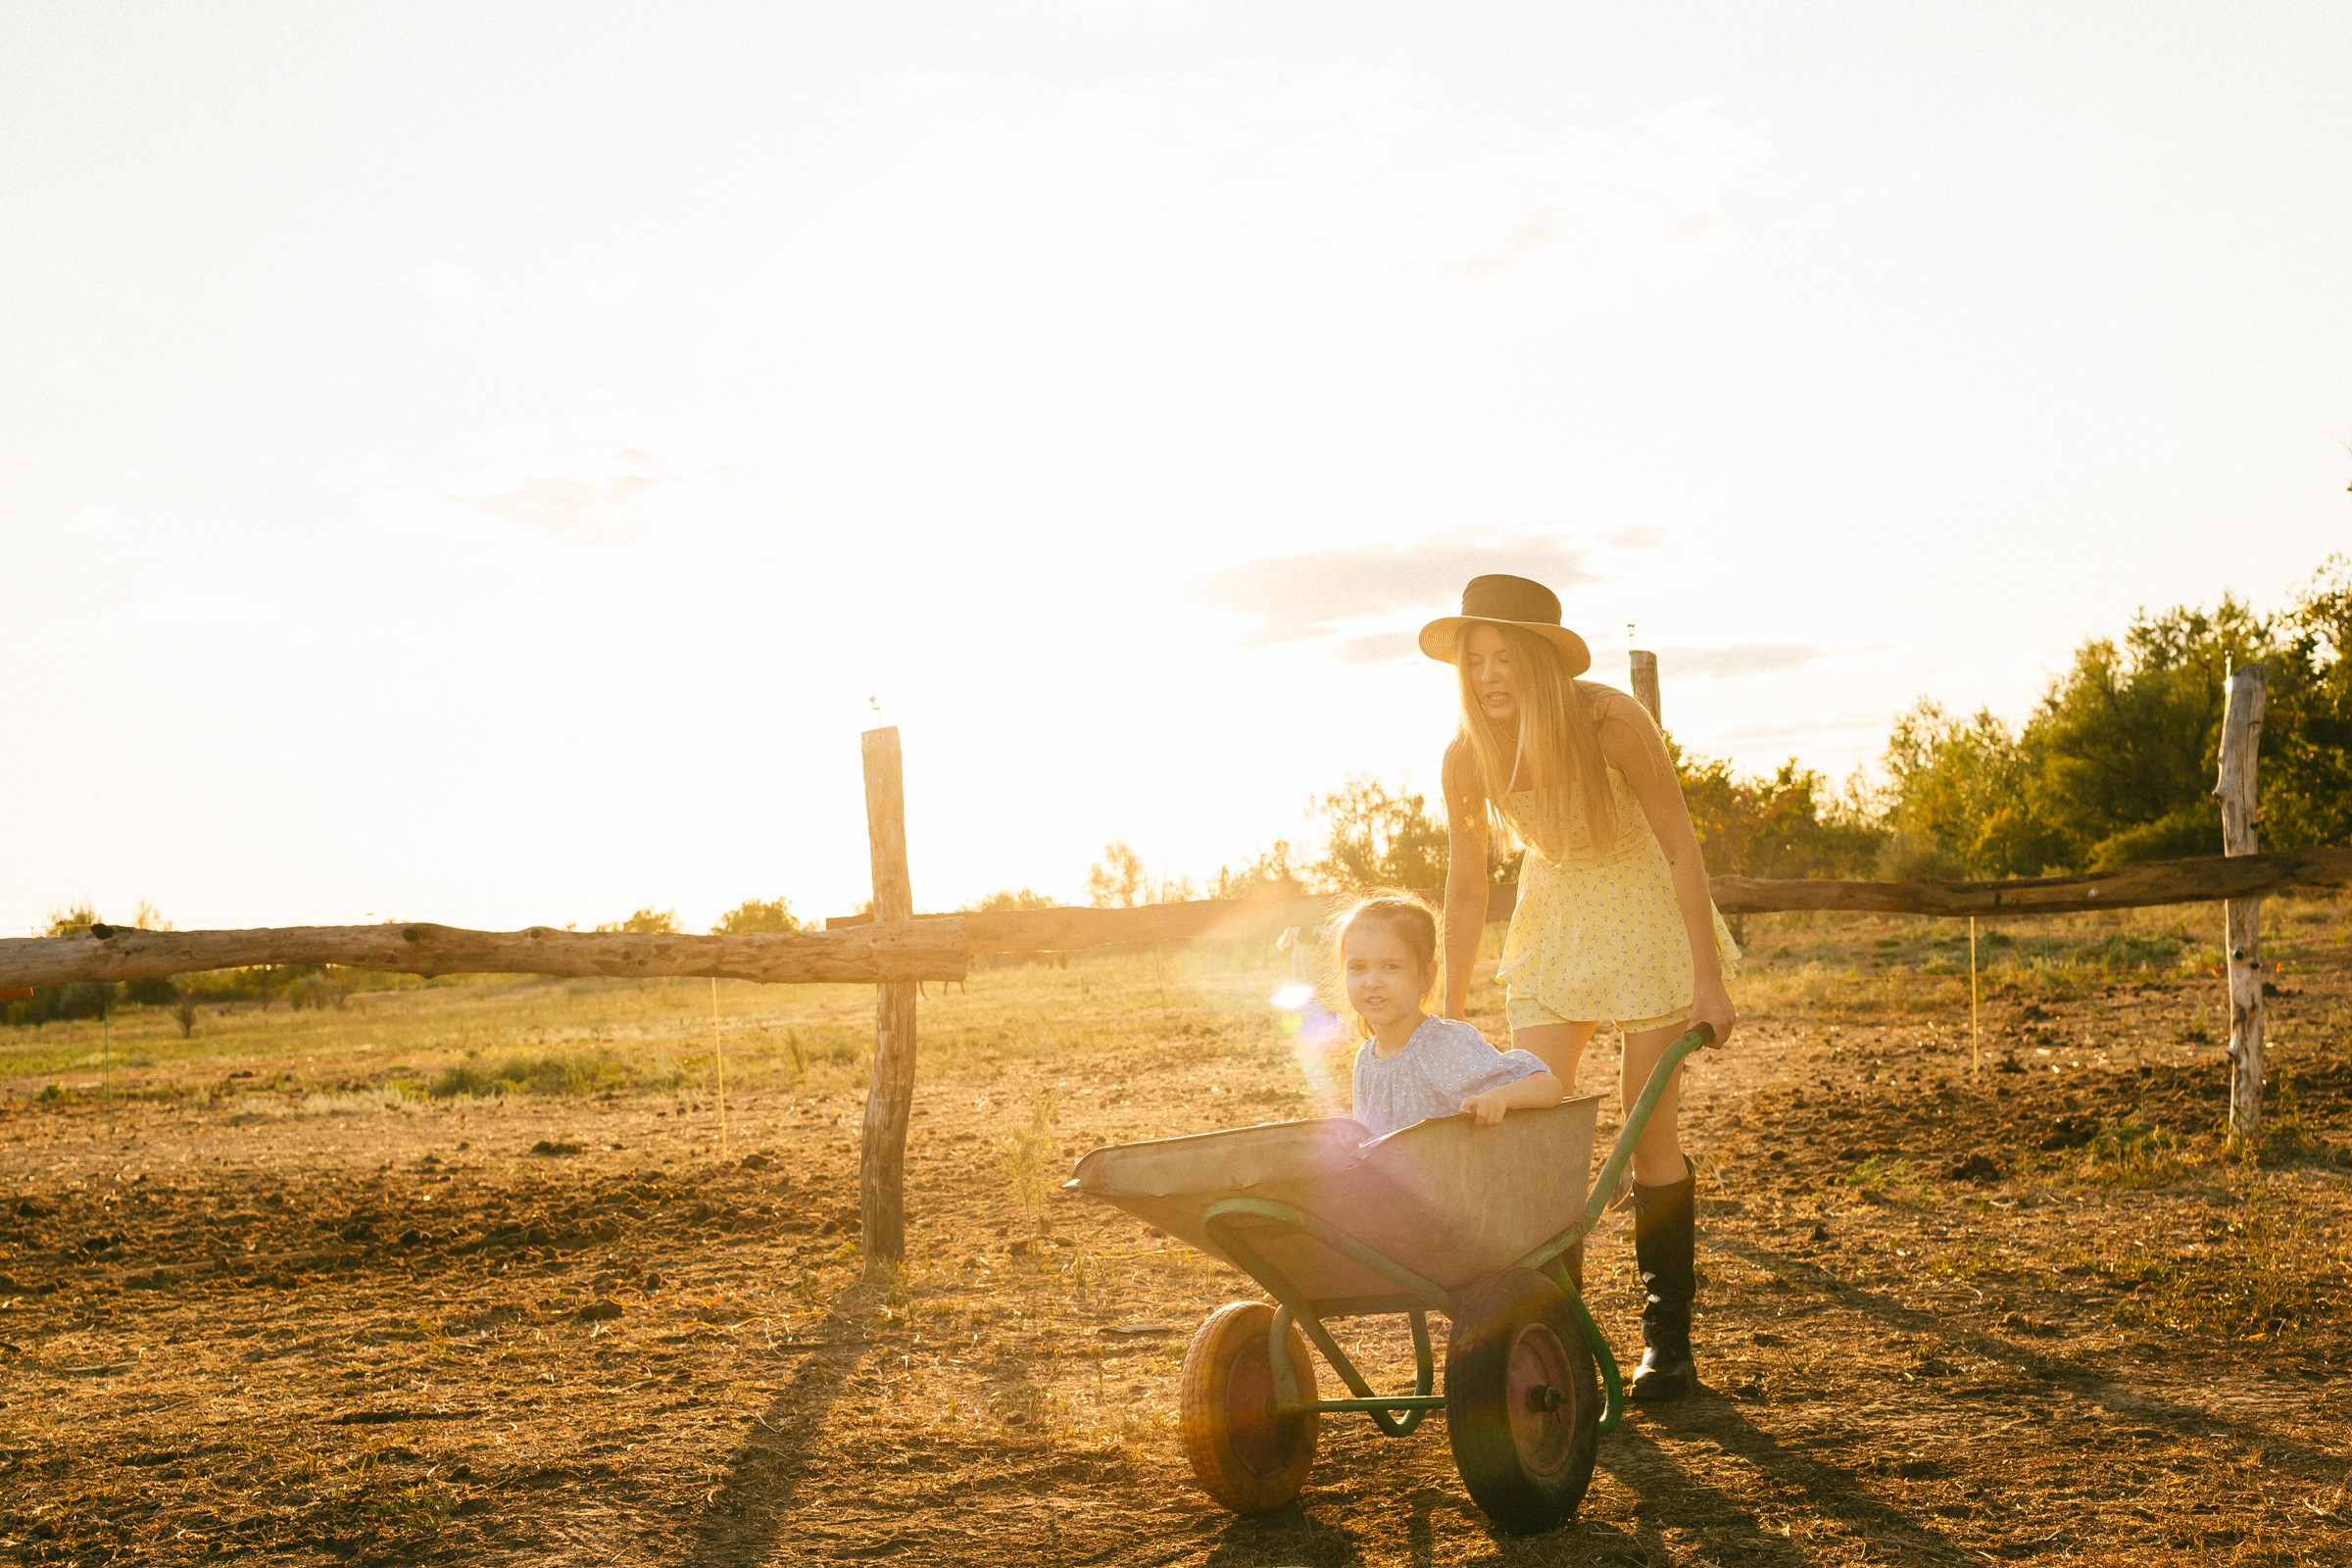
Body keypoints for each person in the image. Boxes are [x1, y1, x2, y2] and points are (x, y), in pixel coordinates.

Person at [1422, 573, 1740, 1403]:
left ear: (1540, 661)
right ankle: (1557, 1340)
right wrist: (1449, 1018)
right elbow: (1463, 890)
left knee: (1645, 1132)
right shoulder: (1466, 757)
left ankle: (1667, 1347)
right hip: (1555, 913)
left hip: (1641, 905)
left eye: (1504, 658)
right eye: (1474, 660)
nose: (1488, 676)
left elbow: (1679, 849)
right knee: (1538, 1119)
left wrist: (1707, 980)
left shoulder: (1611, 723)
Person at [1337, 894, 1564, 1142]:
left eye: (1390, 966)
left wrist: (1498, 1098)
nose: (1372, 982)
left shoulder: (1443, 1046)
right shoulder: (1366, 1058)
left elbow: (1548, 1086)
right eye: (1358, 967)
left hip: (1452, 1177)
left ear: (1426, 976)